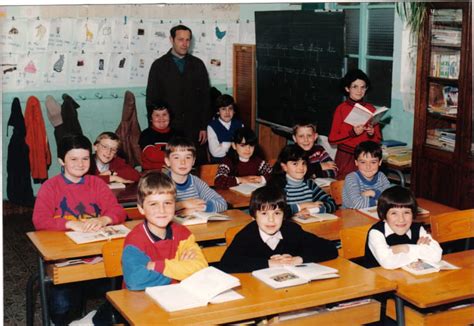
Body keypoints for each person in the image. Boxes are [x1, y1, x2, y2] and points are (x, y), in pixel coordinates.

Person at [32, 134, 126, 325]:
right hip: (67, 262)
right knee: (61, 306)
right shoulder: (50, 187)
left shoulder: (97, 183)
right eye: (73, 159)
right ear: (61, 161)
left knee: (128, 290)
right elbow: (39, 219)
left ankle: (94, 320)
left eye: (85, 158)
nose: (80, 164)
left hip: (99, 259)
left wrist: (105, 218)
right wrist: (69, 223)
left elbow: (118, 211)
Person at [219, 186, 338, 273]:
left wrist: (298, 259)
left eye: (277, 213)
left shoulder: (291, 230)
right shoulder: (247, 235)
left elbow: (329, 248)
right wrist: (271, 263)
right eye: (264, 214)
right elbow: (226, 264)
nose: (271, 220)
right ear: (253, 216)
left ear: (284, 215)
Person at [122, 171, 208, 290]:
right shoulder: (135, 240)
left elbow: (200, 267)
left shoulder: (183, 234)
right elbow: (135, 281)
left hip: (175, 296)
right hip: (141, 301)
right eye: (153, 204)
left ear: (175, 205)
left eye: (167, 203)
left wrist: (157, 266)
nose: (161, 210)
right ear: (141, 208)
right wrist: (179, 271)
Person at [146, 24, 210, 164]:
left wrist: (204, 126)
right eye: (181, 39)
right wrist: (155, 129)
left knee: (196, 165)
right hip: (168, 128)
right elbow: (151, 100)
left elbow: (205, 98)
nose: (185, 44)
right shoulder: (159, 66)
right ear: (171, 39)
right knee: (171, 164)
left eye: (188, 40)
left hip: (194, 128)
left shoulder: (198, 65)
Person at [364, 186, 442, 269]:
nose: (401, 219)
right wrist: (419, 251)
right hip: (378, 278)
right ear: (384, 216)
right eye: (394, 213)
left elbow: (436, 256)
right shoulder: (376, 232)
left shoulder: (418, 229)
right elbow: (388, 263)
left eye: (406, 212)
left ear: (413, 214)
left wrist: (404, 248)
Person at [328, 69, 382, 180]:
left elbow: (378, 139)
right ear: (347, 88)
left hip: (366, 158)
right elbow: (332, 139)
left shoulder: (371, 109)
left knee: (366, 188)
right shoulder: (341, 109)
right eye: (355, 87)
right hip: (346, 157)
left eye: (363, 87)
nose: (359, 91)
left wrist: (371, 134)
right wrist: (352, 133)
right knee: (345, 190)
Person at [164, 136, 227, 215]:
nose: (183, 162)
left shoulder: (196, 182)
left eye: (188, 157)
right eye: (176, 157)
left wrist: (201, 208)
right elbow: (156, 209)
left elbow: (222, 203)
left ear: (193, 161)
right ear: (167, 161)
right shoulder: (160, 184)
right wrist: (183, 205)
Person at [269, 144, 337, 217]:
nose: (301, 168)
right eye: (295, 164)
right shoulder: (278, 186)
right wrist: (302, 206)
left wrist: (310, 210)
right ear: (284, 167)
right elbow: (274, 211)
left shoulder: (309, 184)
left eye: (303, 163)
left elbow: (332, 203)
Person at [342, 141, 391, 209]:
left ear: (380, 162)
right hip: (351, 216)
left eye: (373, 162)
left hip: (373, 214)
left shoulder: (381, 176)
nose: (368, 167)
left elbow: (390, 198)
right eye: (363, 162)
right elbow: (357, 204)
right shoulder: (351, 178)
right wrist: (379, 202)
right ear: (356, 162)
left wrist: (372, 193)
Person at [139, 102, 181, 171]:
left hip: (174, 169)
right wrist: (175, 156)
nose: (161, 118)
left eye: (164, 114)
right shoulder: (146, 134)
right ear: (151, 118)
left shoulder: (177, 134)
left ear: (170, 116)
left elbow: (183, 151)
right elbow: (152, 156)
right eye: (157, 115)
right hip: (152, 172)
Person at [207, 94, 244, 163]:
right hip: (219, 163)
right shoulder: (212, 126)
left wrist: (223, 145)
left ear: (234, 111)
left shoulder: (239, 124)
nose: (227, 112)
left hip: (236, 162)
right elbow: (215, 153)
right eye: (223, 109)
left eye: (230, 108)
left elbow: (243, 148)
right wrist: (233, 144)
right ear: (218, 111)